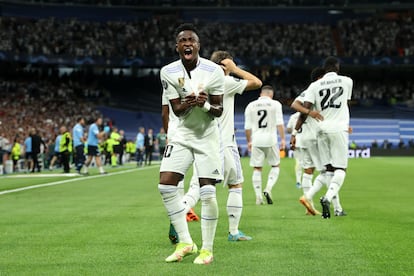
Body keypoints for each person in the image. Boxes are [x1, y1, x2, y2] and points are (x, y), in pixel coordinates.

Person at [159, 23, 224, 265]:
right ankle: (186, 242)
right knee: (166, 186)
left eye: (191, 40)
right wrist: (190, 102)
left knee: (207, 192)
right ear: (177, 46)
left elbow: (218, 110)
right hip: (182, 134)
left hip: (207, 135)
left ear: (198, 45)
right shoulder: (167, 71)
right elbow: (175, 109)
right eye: (183, 40)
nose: (187, 43)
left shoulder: (213, 70)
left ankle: (207, 250)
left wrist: (204, 104)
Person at [208, 50, 262, 241]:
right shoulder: (225, 81)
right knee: (235, 185)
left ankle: (178, 217)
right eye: (228, 65)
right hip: (225, 143)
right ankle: (233, 231)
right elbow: (257, 83)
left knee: (203, 187)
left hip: (206, 144)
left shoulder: (203, 82)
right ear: (223, 65)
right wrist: (235, 69)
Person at [297, 56, 353, 219]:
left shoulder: (314, 85)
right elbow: (345, 102)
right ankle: (327, 198)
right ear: (337, 67)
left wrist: (297, 127)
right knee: (340, 169)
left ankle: (316, 199)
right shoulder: (347, 81)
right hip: (338, 128)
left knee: (328, 169)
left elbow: (305, 108)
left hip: (320, 130)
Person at [244, 85, 286, 205]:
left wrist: (249, 141)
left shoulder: (251, 105)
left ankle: (258, 197)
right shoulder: (275, 104)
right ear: (271, 95)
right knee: (275, 165)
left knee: (257, 168)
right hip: (271, 139)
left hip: (256, 139)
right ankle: (268, 188)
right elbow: (280, 123)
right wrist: (283, 139)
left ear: (261, 94)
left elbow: (247, 127)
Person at [286, 112, 303, 189]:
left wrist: (293, 130)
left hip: (296, 141)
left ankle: (298, 181)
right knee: (308, 163)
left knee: (298, 162)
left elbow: (288, 129)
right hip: (307, 141)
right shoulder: (308, 114)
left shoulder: (293, 116)